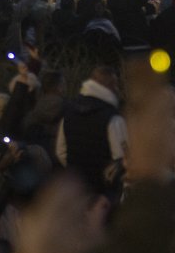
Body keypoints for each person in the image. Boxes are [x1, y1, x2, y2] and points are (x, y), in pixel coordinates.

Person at [55, 64, 128, 194]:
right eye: (115, 85)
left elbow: (61, 151)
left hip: (75, 189)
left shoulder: (69, 113)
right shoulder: (112, 118)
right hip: (102, 191)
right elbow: (121, 158)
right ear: (110, 86)